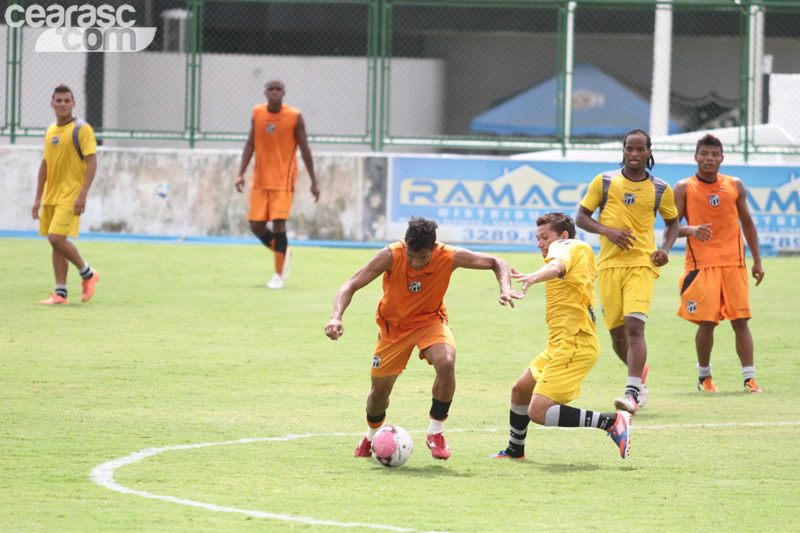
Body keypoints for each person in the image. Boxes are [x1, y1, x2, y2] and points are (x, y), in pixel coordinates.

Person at [325, 217, 519, 460]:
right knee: (378, 394)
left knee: (446, 362)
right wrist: (336, 317)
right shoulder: (390, 255)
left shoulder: (448, 256)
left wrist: (504, 287)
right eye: (411, 256)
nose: (416, 263)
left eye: (423, 257)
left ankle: (435, 432)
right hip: (393, 329)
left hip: (430, 321)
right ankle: (371, 435)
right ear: (405, 244)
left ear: (434, 248)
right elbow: (350, 284)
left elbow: (496, 261)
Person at [491, 212, 632, 460]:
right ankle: (515, 450)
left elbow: (558, 265)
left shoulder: (569, 246)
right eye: (538, 238)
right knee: (520, 391)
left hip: (575, 343)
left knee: (539, 411)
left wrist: (533, 276)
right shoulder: (571, 252)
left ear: (563, 235)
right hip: (559, 345)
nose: (540, 243)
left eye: (545, 237)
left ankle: (611, 422)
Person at [576, 128, 679, 414]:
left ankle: (631, 391)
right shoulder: (605, 181)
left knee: (635, 328)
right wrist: (607, 230)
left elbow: (673, 224)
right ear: (623, 151)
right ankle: (640, 378)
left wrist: (665, 250)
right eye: (629, 149)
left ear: (649, 152)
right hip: (609, 266)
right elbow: (582, 218)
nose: (634, 154)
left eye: (640, 149)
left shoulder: (660, 188)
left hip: (642, 265)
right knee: (617, 337)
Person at [673, 134, 764, 394]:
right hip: (701, 266)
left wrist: (757, 261)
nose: (709, 158)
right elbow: (672, 228)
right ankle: (705, 377)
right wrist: (690, 229)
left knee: (741, 320)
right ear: (696, 157)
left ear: (722, 158)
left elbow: (747, 223)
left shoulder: (735, 185)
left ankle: (749, 378)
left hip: (734, 264)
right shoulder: (684, 187)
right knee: (707, 322)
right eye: (704, 153)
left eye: (714, 154)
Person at [235, 80, 320, 289]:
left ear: (284, 93)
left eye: (278, 89)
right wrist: (240, 174)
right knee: (255, 225)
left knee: (278, 223)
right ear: (265, 92)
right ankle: (284, 252)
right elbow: (250, 143)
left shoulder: (294, 116)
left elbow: (305, 149)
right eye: (270, 89)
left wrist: (313, 181)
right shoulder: (257, 113)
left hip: (284, 180)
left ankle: (278, 276)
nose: (274, 92)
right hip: (260, 179)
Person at [32, 84, 100, 305]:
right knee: (56, 243)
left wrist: (83, 194)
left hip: (71, 195)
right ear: (52, 103)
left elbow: (92, 162)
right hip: (52, 195)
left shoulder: (82, 129)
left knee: (56, 238)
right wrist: (37, 198)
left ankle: (88, 273)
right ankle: (60, 294)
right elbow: (45, 165)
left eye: (66, 100)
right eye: (58, 100)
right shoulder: (50, 130)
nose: (62, 104)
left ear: (73, 104)